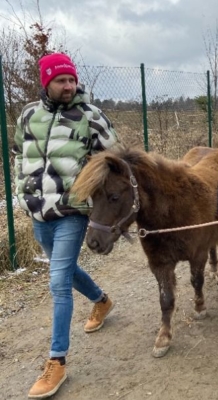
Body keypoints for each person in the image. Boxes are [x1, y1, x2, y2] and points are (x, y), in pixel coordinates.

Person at [12, 53, 120, 399]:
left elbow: (115, 161)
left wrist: (92, 195)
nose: (68, 85)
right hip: (37, 210)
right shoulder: (29, 114)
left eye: (71, 80)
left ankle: (56, 361)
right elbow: (19, 153)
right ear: (47, 82)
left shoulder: (90, 116)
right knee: (67, 270)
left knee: (58, 281)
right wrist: (20, 190)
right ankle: (101, 301)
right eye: (61, 80)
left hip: (72, 210)